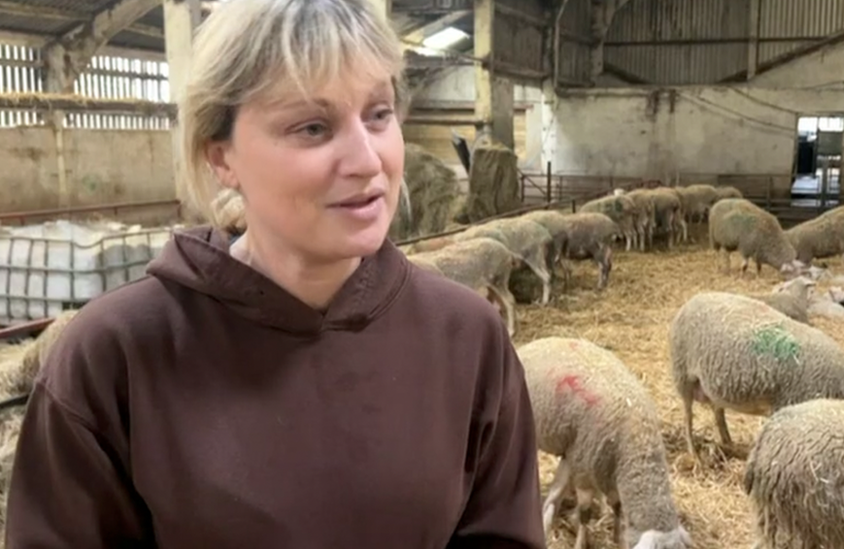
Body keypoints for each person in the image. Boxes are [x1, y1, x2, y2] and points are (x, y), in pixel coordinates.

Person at [3, 1, 546, 547]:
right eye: (313, 126)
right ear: (222, 158)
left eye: (378, 114)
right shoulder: (116, 355)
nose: (367, 159)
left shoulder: (467, 338)